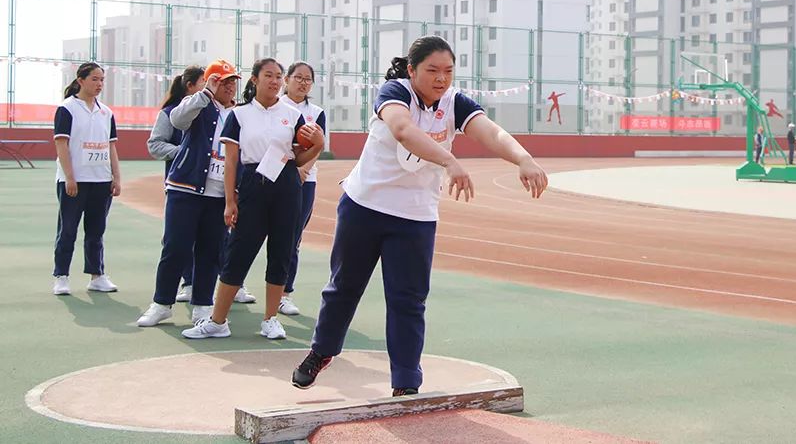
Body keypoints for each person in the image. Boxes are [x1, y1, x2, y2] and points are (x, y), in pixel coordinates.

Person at [290, 36, 548, 396]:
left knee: (408, 301)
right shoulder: (394, 92)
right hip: (364, 206)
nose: (441, 79)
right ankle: (322, 351)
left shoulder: (454, 103)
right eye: (432, 70)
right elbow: (403, 130)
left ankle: (406, 383)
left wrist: (523, 158)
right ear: (412, 70)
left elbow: (491, 131)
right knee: (343, 288)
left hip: (415, 217)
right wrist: (448, 160)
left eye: (448, 71)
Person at [181, 58, 323, 340]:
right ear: (255, 79)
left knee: (282, 251)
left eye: (278, 76)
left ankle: (270, 319)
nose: (274, 80)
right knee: (239, 250)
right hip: (251, 184)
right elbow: (231, 161)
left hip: (286, 185)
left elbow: (298, 158)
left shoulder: (293, 114)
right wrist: (229, 201)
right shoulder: (239, 115)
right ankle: (218, 320)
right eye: (268, 75)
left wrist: (318, 144)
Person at [136, 60, 240, 327]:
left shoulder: (239, 115)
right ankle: (161, 303)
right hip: (185, 189)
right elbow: (177, 120)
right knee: (175, 247)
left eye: (232, 81)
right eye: (222, 81)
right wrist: (205, 94)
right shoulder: (197, 106)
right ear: (209, 82)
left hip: (218, 195)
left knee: (211, 251)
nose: (228, 86)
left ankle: (203, 306)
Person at [52, 62, 121, 295]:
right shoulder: (67, 109)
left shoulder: (106, 112)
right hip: (74, 181)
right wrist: (70, 178)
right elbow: (61, 144)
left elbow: (111, 147)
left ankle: (97, 275)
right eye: (94, 79)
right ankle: (61, 276)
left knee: (96, 230)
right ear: (80, 80)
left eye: (102, 79)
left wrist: (116, 177)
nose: (99, 84)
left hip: (101, 181)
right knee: (68, 230)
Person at [146, 64, 204, 302]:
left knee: (212, 238)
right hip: (180, 184)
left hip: (211, 185)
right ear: (190, 86)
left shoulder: (215, 112)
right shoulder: (170, 113)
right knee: (179, 238)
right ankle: (187, 283)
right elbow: (155, 145)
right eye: (204, 82)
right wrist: (186, 151)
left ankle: (215, 285)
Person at [278, 62, 327, 316]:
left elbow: (318, 145)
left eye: (308, 79)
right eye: (298, 77)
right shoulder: (275, 106)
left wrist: (303, 171)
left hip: (302, 181)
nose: (303, 82)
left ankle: (284, 294)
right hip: (271, 176)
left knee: (292, 238)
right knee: (250, 233)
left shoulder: (316, 112)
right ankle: (237, 284)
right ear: (287, 80)